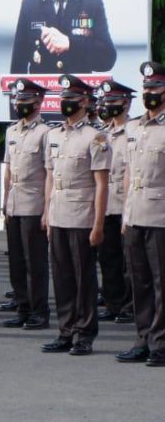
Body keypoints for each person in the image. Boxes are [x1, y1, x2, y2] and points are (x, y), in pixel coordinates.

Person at [41, 74, 110, 356]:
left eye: (71, 99)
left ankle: (84, 333)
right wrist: (46, 212)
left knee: (83, 278)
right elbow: (48, 176)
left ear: (83, 101)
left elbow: (102, 184)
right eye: (63, 98)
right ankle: (66, 330)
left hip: (82, 215)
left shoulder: (95, 137)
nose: (65, 103)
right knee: (62, 278)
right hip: (58, 213)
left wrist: (98, 224)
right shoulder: (53, 135)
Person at [117, 61, 165, 366]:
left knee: (161, 282)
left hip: (160, 216)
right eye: (146, 88)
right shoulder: (132, 128)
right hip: (134, 214)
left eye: (155, 88)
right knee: (139, 281)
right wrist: (124, 214)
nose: (149, 93)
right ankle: (142, 337)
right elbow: (127, 173)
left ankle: (160, 343)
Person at [0, 78, 53, 330]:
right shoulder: (11, 131)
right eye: (18, 100)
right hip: (14, 202)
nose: (20, 105)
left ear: (38, 103)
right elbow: (8, 169)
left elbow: (49, 172)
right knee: (17, 261)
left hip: (34, 202)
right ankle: (22, 306)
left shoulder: (46, 133)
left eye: (26, 101)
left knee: (35, 261)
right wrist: (4, 201)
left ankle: (39, 311)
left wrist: (47, 209)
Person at [97, 79, 134, 324]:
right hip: (106, 205)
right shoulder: (103, 135)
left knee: (129, 260)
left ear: (127, 104)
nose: (109, 106)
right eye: (107, 102)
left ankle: (130, 306)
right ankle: (112, 303)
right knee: (108, 257)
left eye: (115, 102)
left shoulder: (133, 132)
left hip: (127, 205)